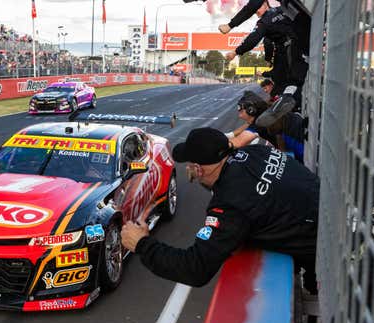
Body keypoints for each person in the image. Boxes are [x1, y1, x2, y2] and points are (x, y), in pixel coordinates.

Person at [120, 127, 319, 292]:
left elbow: (195, 268)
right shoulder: (258, 152)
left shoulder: (230, 203)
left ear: (198, 169)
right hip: (332, 215)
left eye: (190, 165)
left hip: (328, 263)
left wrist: (141, 244)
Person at [225, 1, 308, 124]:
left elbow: (253, 40)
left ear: (265, 4)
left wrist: (236, 52)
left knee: (291, 81)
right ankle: (291, 106)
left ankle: (288, 102)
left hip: (291, 49)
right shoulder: (283, 10)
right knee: (293, 80)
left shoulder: (265, 21)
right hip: (304, 42)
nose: (257, 11)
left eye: (258, 7)